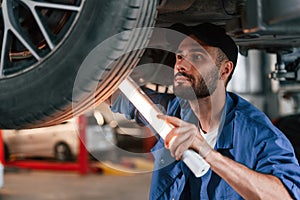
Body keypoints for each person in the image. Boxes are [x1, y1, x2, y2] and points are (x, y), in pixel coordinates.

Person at [107, 23, 300, 199]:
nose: (180, 65)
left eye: (197, 57)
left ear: (224, 71)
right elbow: (113, 93)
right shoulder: (172, 113)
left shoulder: (257, 134)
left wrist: (209, 154)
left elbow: (285, 196)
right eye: (180, 56)